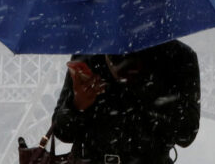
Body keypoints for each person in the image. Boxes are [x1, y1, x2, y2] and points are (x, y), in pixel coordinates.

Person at [52, 40, 201, 164]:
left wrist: (143, 82)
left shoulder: (179, 57)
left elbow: (186, 133)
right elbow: (62, 132)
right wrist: (78, 105)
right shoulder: (87, 55)